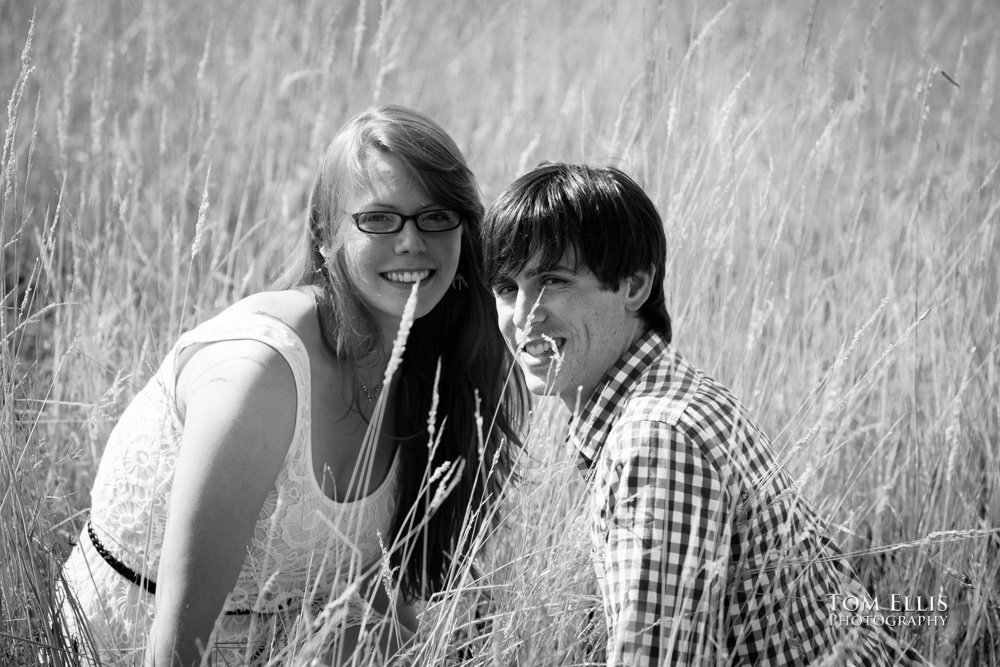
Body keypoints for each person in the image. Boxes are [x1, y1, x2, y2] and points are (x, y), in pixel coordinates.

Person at [58, 105, 525, 667]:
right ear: (325, 235)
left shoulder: (432, 360)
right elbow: (176, 643)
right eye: (379, 218)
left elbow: (389, 601)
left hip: (294, 641)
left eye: (435, 216)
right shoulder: (258, 377)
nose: (411, 242)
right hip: (142, 646)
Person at [482, 163, 920, 666]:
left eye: (553, 281)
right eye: (507, 289)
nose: (522, 317)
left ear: (634, 285)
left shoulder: (656, 441)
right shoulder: (668, 396)